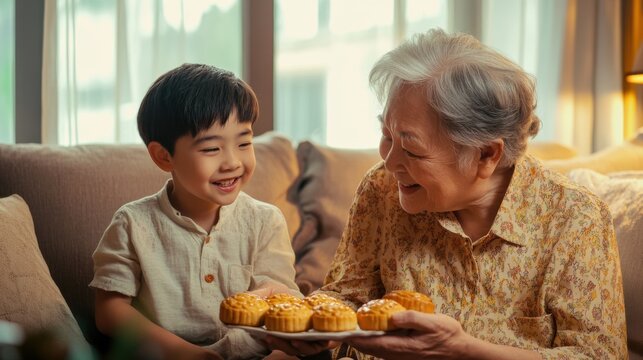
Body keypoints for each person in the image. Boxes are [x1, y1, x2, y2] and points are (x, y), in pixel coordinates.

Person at [266, 28, 627, 359]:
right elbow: (347, 296)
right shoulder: (381, 189)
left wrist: (463, 351)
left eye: (411, 148)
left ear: (486, 154)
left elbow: (598, 355)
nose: (390, 162)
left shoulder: (576, 219)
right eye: (387, 136)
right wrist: (303, 317)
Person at [90, 63, 301, 360]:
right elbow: (110, 310)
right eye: (212, 149)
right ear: (164, 156)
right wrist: (186, 354)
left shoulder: (265, 220)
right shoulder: (132, 223)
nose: (232, 162)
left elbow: (282, 299)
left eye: (244, 143)